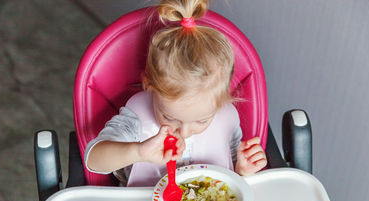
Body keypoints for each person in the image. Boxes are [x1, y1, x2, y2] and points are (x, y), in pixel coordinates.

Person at [85, 0, 267, 187]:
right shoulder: (136, 118)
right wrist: (139, 152)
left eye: (202, 120)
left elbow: (228, 163)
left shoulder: (227, 118)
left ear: (223, 97)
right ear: (149, 84)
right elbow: (93, 159)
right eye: (169, 117)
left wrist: (242, 171)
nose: (185, 133)